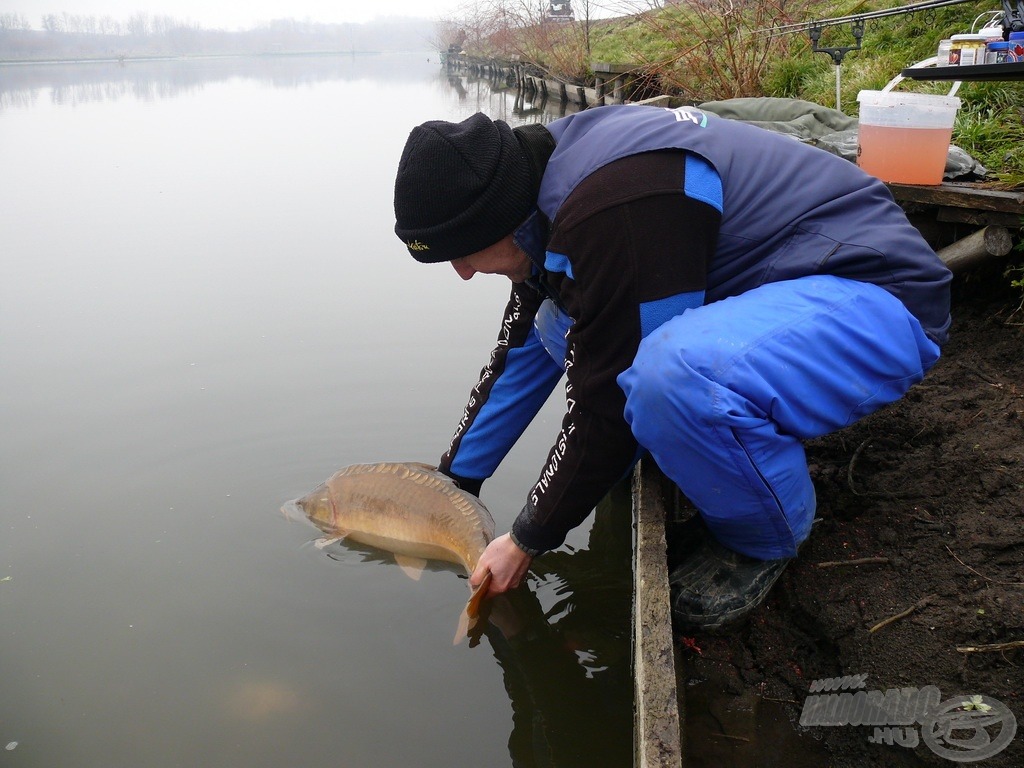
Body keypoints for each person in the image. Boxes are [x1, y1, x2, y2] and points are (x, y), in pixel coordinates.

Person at [392, 104, 951, 631]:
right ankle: (696, 439)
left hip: (876, 300)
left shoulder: (617, 202)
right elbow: (518, 359)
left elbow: (608, 395)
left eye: (462, 253)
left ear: (500, 220)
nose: (463, 273)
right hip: (777, 291)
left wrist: (527, 536)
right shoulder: (531, 189)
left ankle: (763, 537)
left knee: (668, 378)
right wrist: (455, 480)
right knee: (554, 326)